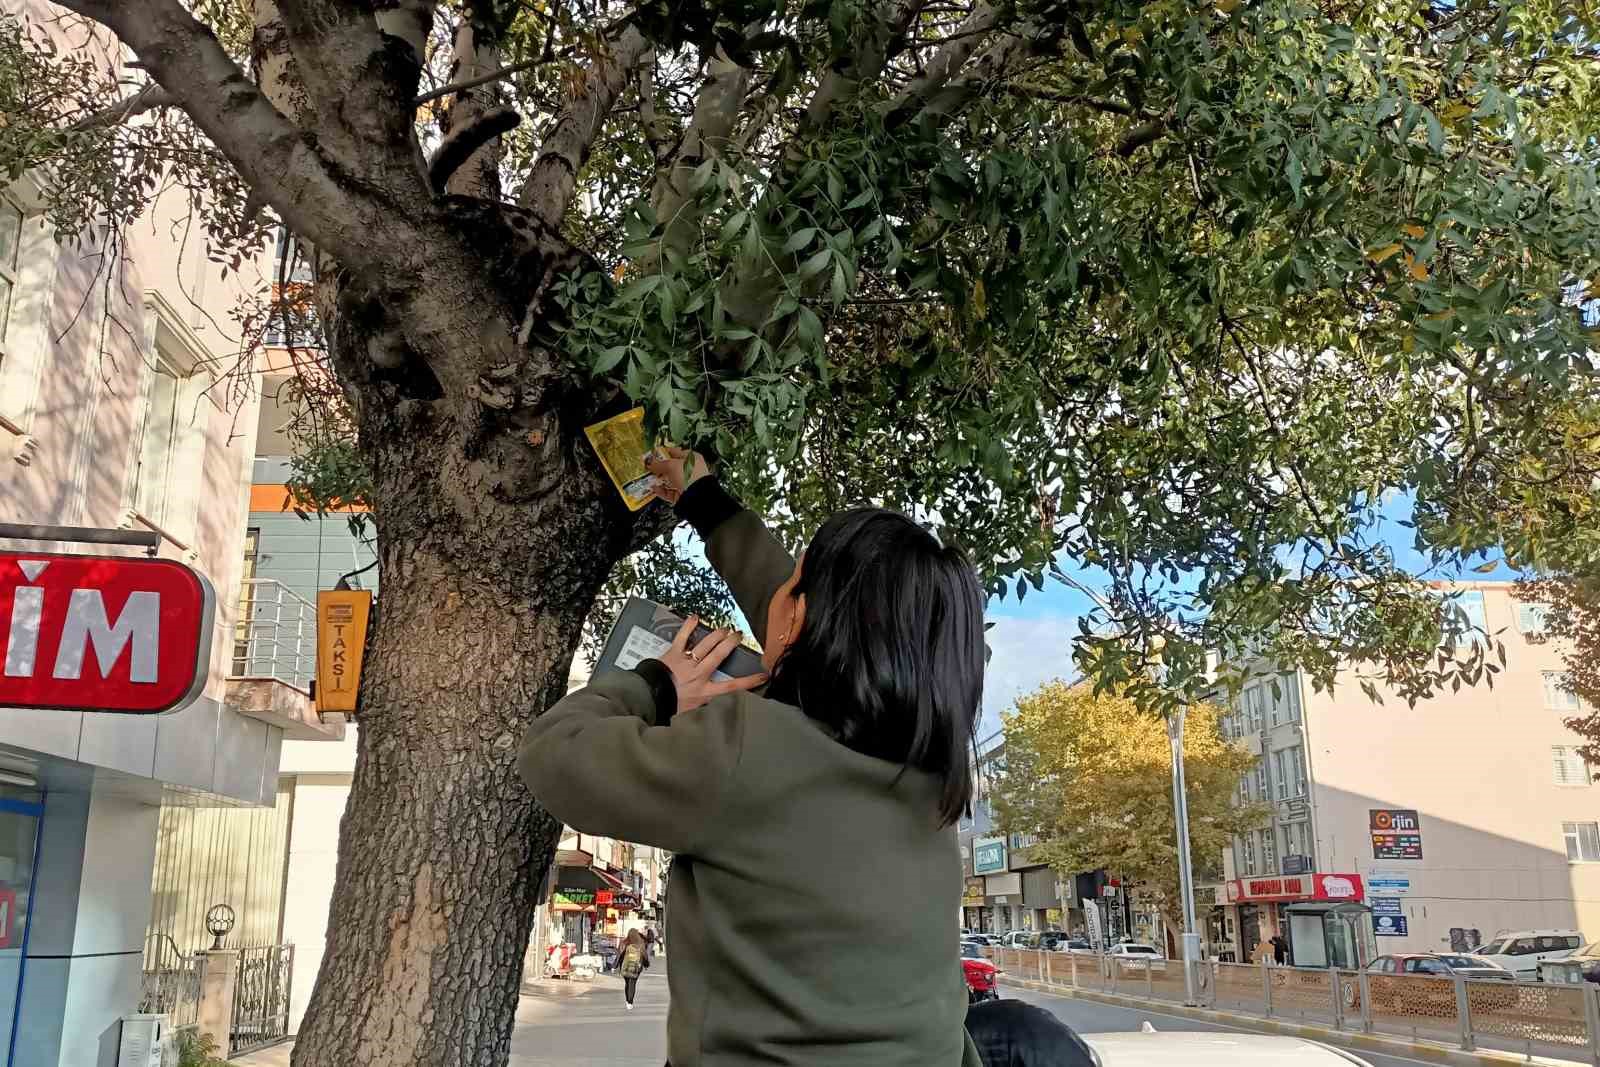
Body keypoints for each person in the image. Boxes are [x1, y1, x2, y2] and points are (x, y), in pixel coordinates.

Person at [521, 450, 1091, 1066]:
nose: (780, 587)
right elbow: (800, 610)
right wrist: (707, 504)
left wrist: (657, 685)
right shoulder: (931, 775)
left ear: (803, 625)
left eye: (796, 582)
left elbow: (555, 755)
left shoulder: (746, 747)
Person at [619, 927, 651, 1010]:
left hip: (625, 967)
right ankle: (630, 1002)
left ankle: (627, 1000)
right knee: (632, 984)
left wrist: (615, 966)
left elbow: (620, 955)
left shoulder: (624, 942)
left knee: (627, 984)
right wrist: (646, 964)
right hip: (636, 968)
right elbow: (644, 956)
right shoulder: (640, 943)